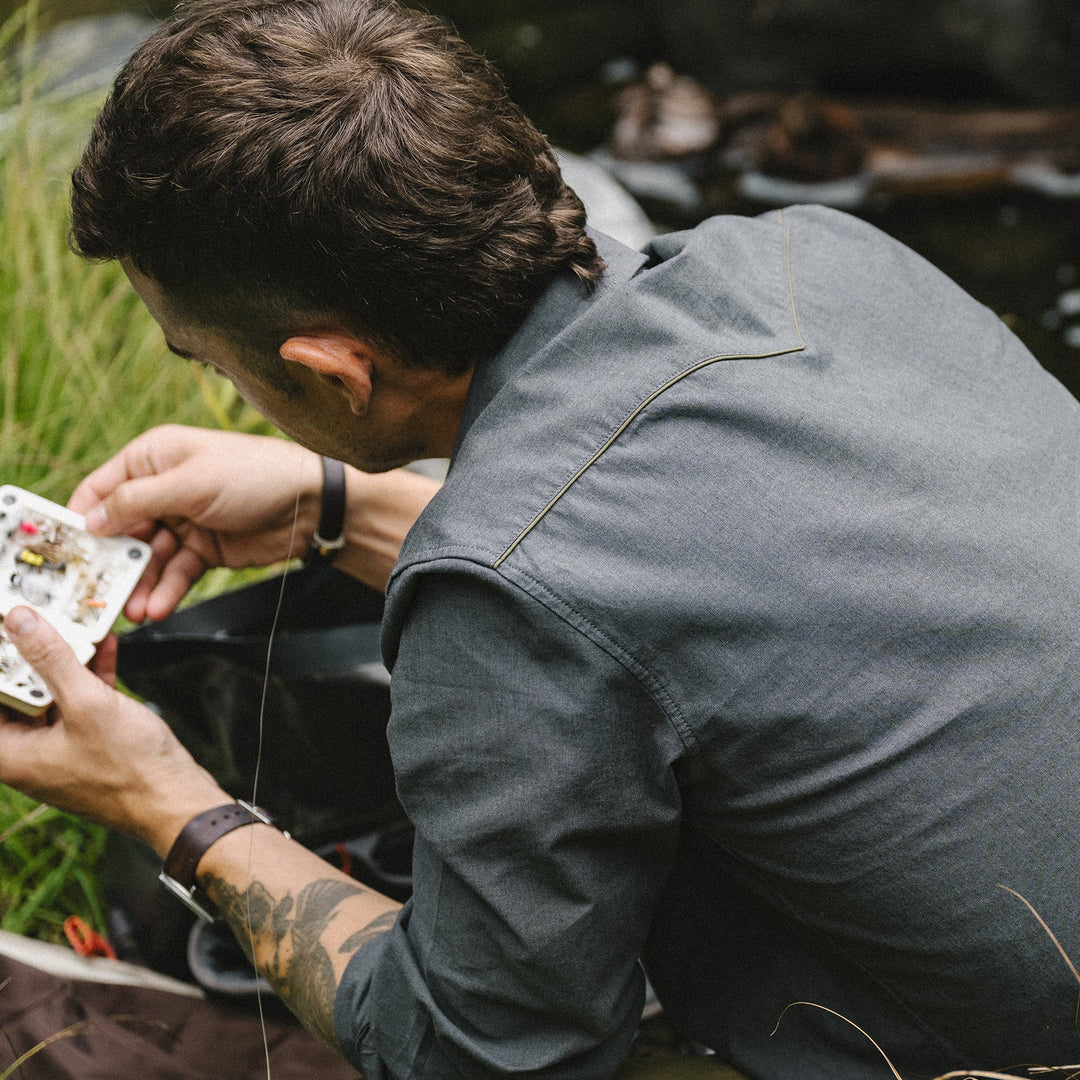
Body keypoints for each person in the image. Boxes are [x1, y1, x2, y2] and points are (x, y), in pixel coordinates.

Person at [1, 0, 1079, 1076]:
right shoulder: (807, 258)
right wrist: (336, 506)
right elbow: (694, 593)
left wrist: (162, 800)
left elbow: (482, 1056)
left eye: (208, 358)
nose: (220, 380)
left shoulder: (503, 606)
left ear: (335, 369)